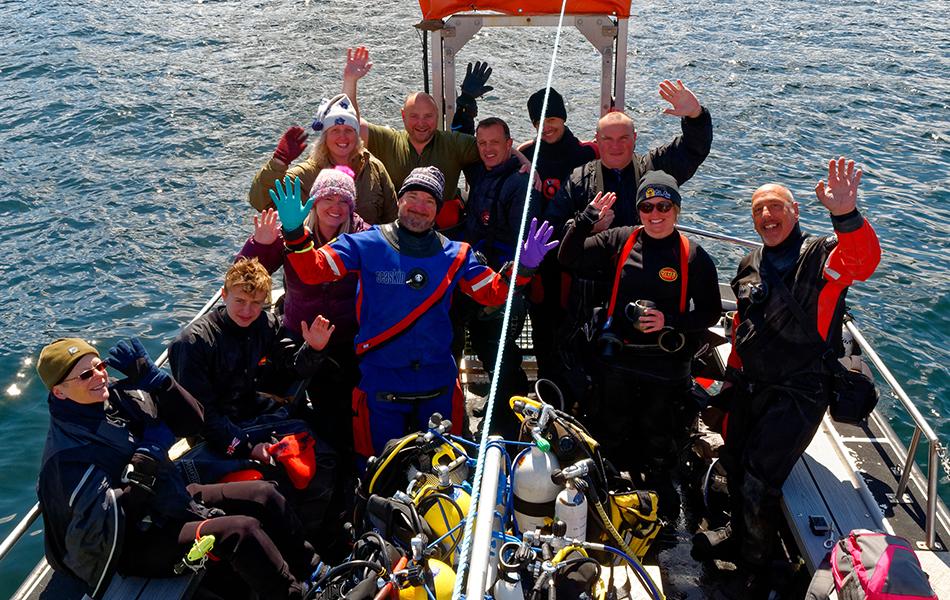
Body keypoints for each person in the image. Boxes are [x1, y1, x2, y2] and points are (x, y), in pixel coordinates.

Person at [267, 166, 558, 458]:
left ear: (437, 210)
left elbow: (494, 291)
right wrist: (294, 232)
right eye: (413, 197)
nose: (419, 207)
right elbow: (312, 270)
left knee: (447, 470)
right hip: (381, 386)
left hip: (438, 386)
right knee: (378, 472)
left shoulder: (457, 254)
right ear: (399, 201)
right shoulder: (365, 243)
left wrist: (524, 267)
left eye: (429, 201)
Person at [708, 157, 881, 596]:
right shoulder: (750, 264)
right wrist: (728, 385)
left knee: (758, 479)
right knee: (733, 460)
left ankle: (757, 565)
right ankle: (739, 534)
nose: (766, 216)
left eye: (775, 207)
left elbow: (862, 261)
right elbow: (741, 329)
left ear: (796, 211)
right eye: (758, 211)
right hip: (753, 384)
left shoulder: (823, 257)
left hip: (799, 392)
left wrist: (845, 213)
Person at [36, 337, 317, 599]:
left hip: (166, 497)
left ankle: (313, 571)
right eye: (86, 375)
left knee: (264, 494)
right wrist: (148, 456)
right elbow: (105, 527)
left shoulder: (113, 400)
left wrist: (158, 382)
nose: (99, 375)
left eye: (100, 366)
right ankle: (292, 595)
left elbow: (192, 424)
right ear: (59, 392)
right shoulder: (66, 457)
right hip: (132, 542)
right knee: (240, 532)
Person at [558, 172, 721, 518]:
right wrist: (586, 220)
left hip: (665, 369)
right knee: (611, 436)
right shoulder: (620, 240)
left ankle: (660, 513)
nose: (655, 213)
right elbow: (567, 258)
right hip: (618, 360)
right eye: (647, 206)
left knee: (659, 446)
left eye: (663, 205)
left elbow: (710, 312)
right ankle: (609, 504)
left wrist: (670, 321)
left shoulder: (693, 257)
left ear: (676, 209)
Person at [168, 258, 339, 545]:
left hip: (253, 412)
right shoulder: (193, 343)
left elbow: (290, 366)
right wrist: (249, 448)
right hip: (212, 432)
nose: (248, 310)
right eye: (241, 301)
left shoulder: (265, 323)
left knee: (326, 450)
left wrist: (314, 349)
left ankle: (314, 532)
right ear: (223, 296)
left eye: (257, 302)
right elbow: (203, 416)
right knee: (269, 477)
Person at [240, 166, 369, 455]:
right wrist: (258, 244)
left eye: (342, 201)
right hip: (296, 333)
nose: (335, 207)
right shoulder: (293, 231)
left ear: (351, 207)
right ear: (314, 201)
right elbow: (245, 276)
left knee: (340, 416)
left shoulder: (363, 237)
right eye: (327, 199)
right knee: (275, 400)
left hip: (344, 339)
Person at [543, 79, 713, 234]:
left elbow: (694, 150)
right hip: (596, 264)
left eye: (623, 138)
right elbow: (551, 227)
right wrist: (586, 225)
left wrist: (696, 116)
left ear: (635, 138)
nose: (615, 146)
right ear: (597, 140)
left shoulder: (653, 168)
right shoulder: (579, 180)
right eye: (607, 139)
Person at [461, 117, 541, 437]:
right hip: (481, 282)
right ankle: (499, 405)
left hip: (505, 285)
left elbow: (521, 242)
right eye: (482, 143)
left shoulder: (519, 183)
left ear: (509, 144)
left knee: (501, 354)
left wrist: (507, 282)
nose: (488, 149)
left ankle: (507, 423)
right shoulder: (483, 172)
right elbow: (459, 134)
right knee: (486, 348)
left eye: (495, 142)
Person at [517, 87, 599, 384]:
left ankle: (574, 390)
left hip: (576, 257)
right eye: (539, 121)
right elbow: (490, 154)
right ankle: (548, 386)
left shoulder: (586, 153)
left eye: (552, 118)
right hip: (540, 259)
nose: (546, 126)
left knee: (576, 326)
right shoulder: (526, 154)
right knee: (542, 327)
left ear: (563, 118)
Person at [341, 46, 488, 208]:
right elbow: (350, 127)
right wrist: (350, 81)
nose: (421, 123)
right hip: (400, 227)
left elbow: (496, 147)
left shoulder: (454, 143)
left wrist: (522, 158)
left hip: (445, 229)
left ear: (437, 115)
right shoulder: (389, 141)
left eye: (428, 116)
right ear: (403, 116)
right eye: (414, 116)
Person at [247, 92, 397, 224]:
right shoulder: (306, 174)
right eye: (335, 130)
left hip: (365, 251)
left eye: (348, 130)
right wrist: (279, 162)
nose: (342, 137)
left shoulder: (374, 168)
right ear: (324, 137)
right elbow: (260, 201)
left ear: (357, 135)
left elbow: (392, 217)